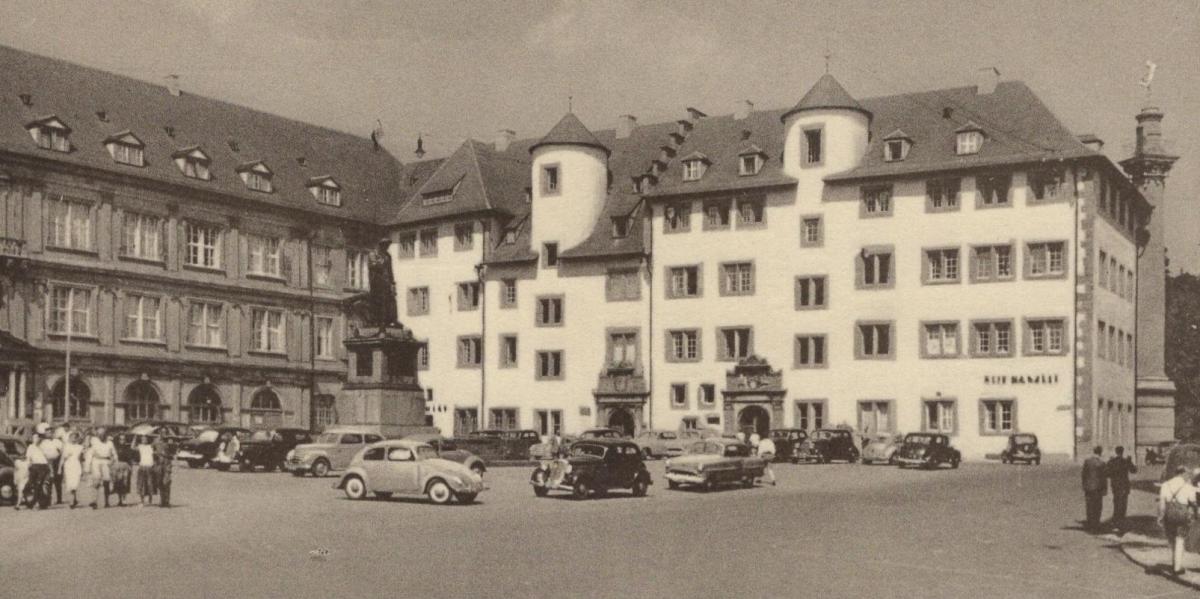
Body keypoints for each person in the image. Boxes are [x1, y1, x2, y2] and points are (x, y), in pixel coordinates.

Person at [1158, 466, 1197, 577]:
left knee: (1172, 540)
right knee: (1180, 540)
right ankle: (1177, 567)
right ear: (1183, 473)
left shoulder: (1165, 485)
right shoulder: (1187, 486)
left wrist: (1160, 517)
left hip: (1169, 515)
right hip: (1182, 515)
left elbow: (1162, 504)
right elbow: (1193, 501)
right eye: (1186, 474)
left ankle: (1174, 563)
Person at [1106, 446, 1137, 532]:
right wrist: (1130, 461)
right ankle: (1122, 521)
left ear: (1116, 452)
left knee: (1116, 502)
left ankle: (1116, 520)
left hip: (1115, 485)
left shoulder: (1112, 461)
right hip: (1124, 485)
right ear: (1122, 452)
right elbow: (1134, 470)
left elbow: (1107, 474)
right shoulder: (1125, 461)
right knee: (1123, 503)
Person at [87, 428, 117, 509]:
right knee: (96, 482)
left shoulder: (110, 443)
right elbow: (90, 454)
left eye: (103, 434)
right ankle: (94, 501)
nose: (101, 436)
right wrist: (88, 466)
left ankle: (107, 501)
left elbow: (114, 454)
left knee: (106, 483)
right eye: (99, 434)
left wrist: (113, 461)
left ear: (106, 434)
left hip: (106, 462)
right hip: (96, 462)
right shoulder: (94, 442)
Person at [1081, 446, 1107, 532]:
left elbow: (1083, 475)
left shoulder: (1087, 462)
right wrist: (1105, 489)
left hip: (1088, 488)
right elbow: (1104, 477)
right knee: (1097, 507)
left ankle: (1089, 523)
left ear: (1094, 451)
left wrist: (1084, 485)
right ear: (1100, 453)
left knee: (1089, 506)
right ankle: (1096, 524)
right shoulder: (1102, 463)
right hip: (1098, 488)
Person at [58, 431, 84, 509]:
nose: (73, 439)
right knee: (70, 484)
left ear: (77, 439)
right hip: (68, 466)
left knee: (75, 483)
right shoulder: (66, 446)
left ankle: (74, 499)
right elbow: (63, 458)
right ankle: (72, 501)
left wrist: (82, 469)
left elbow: (81, 459)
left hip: (76, 465)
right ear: (69, 438)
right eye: (72, 437)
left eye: (75, 438)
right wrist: (59, 468)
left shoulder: (80, 447)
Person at [25, 432, 50, 509]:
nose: (36, 439)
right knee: (29, 485)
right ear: (32, 439)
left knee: (39, 485)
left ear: (40, 439)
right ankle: (36, 502)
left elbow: (48, 457)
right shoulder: (30, 447)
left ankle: (36, 503)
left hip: (43, 467)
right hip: (34, 467)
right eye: (34, 438)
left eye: (37, 437)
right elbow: (28, 459)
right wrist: (27, 468)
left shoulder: (43, 446)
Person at [135, 436, 156, 507]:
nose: (144, 440)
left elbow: (154, 453)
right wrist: (135, 436)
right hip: (142, 466)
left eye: (145, 439)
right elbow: (132, 447)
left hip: (150, 466)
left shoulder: (151, 446)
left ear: (148, 440)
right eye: (142, 439)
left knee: (150, 484)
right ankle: (141, 501)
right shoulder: (140, 446)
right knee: (141, 484)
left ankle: (150, 498)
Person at [153, 434, 173, 508]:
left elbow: (172, 454)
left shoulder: (169, 443)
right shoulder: (155, 443)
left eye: (165, 433)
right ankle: (162, 501)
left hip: (166, 464)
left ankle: (167, 501)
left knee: (166, 482)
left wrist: (166, 454)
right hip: (158, 465)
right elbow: (151, 451)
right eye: (162, 433)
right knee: (160, 482)